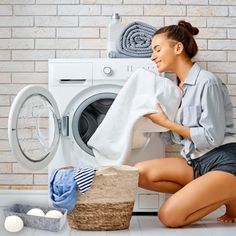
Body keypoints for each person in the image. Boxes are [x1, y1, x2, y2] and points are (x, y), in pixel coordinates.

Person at [135, 20, 236, 228]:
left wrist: (167, 123)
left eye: (157, 49)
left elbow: (212, 137)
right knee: (138, 172)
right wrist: (151, 122)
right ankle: (217, 192)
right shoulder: (176, 89)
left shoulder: (207, 82)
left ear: (178, 48)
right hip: (196, 162)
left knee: (169, 217)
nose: (152, 56)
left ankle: (229, 192)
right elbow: (176, 138)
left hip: (225, 161)